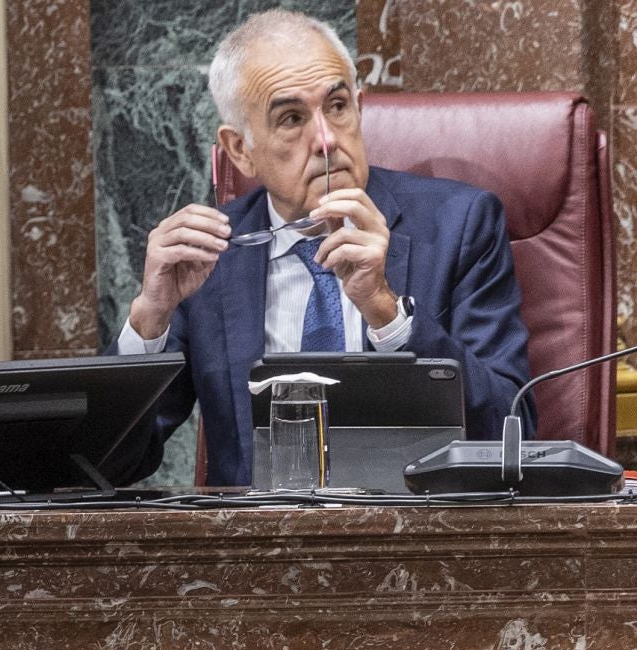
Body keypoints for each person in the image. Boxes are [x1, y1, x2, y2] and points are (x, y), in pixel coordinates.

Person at [107, 10, 532, 487]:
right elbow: (115, 463)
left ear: (360, 109)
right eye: (291, 118)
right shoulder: (208, 257)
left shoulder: (460, 225)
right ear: (240, 149)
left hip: (417, 542)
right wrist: (149, 318)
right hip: (254, 550)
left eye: (337, 106)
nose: (327, 139)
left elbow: (509, 432)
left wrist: (386, 314)